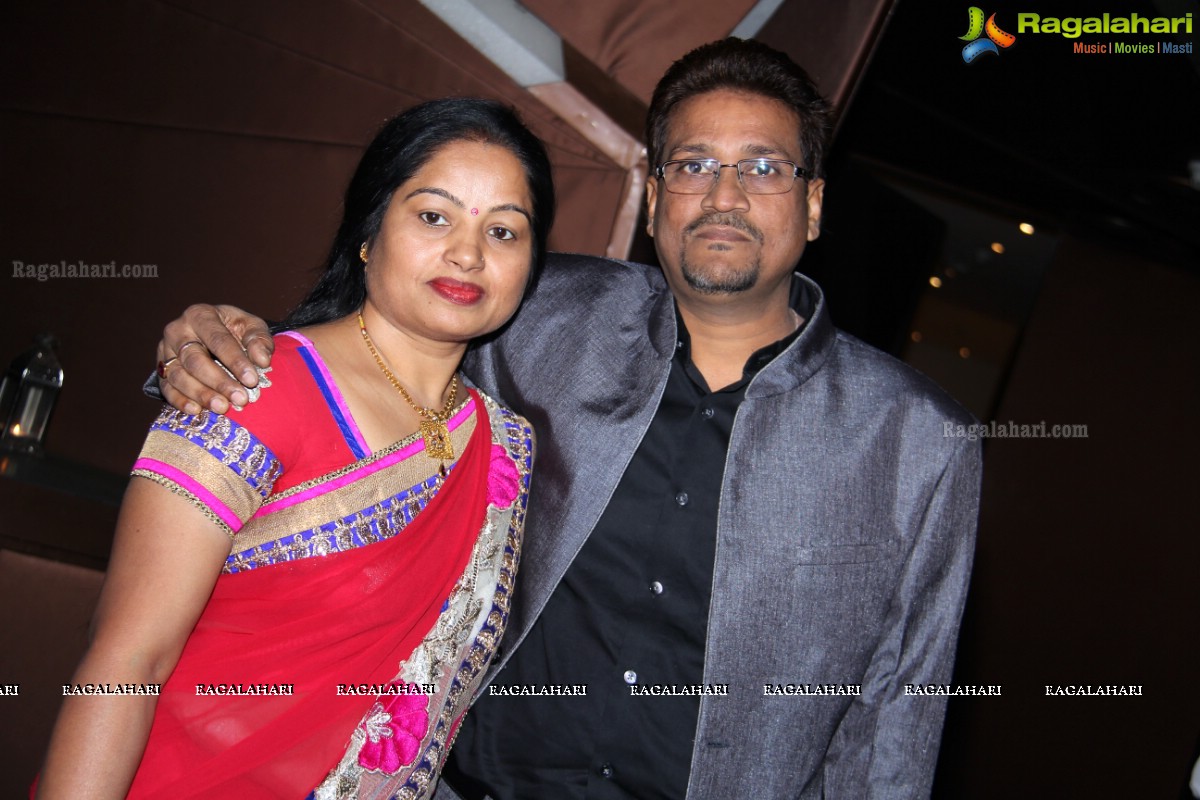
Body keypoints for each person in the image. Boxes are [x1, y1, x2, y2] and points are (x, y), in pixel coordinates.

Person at [152, 39, 981, 800]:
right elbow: (364, 349)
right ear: (656, 198)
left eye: (763, 168)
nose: (724, 196)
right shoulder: (538, 313)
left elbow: (894, 731)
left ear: (812, 205)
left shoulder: (916, 444)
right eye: (693, 165)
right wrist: (222, 346)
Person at [37, 97, 554, 799]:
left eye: (504, 231)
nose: (467, 253)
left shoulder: (501, 445)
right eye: (434, 216)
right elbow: (128, 658)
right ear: (369, 232)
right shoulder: (251, 384)